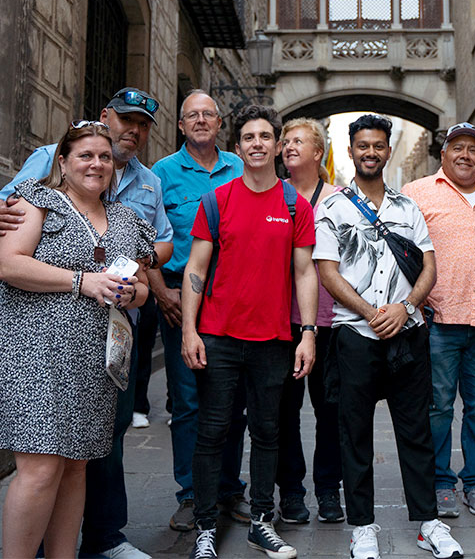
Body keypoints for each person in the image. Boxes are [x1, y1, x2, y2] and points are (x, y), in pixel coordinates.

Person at [0, 88, 173, 559]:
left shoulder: (126, 218)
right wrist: (81, 281)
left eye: (105, 157)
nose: (97, 164)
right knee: (42, 468)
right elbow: (9, 265)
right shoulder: (36, 201)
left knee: (76, 467)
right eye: (86, 155)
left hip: (93, 360)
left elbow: (144, 285)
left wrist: (133, 292)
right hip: (31, 351)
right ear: (62, 161)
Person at [315, 114, 463, 559]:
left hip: (407, 334)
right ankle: (362, 526)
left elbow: (429, 266)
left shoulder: (407, 207)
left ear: (388, 150)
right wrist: (371, 313)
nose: (371, 153)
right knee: (353, 432)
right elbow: (327, 271)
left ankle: (428, 522)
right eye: (363, 145)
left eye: (378, 145)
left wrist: (406, 308)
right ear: (351, 150)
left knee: (416, 430)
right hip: (355, 336)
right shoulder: (333, 207)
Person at [179, 104, 319, 559]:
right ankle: (204, 528)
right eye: (249, 138)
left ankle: (261, 520)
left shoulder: (294, 204)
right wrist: (188, 330)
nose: (257, 144)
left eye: (265, 137)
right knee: (212, 432)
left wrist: (309, 333)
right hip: (218, 336)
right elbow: (195, 269)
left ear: (278, 146)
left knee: (267, 432)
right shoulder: (217, 200)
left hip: (274, 340)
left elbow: (304, 274)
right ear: (237, 148)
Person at [147, 90, 252, 531]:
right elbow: (146, 240)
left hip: (234, 301)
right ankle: (191, 494)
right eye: (194, 115)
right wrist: (159, 292)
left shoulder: (242, 167)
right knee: (188, 402)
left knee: (233, 401)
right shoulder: (163, 173)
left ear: (220, 122)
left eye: (209, 114)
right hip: (180, 301)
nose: (202, 120)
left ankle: (228, 490)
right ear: (181, 124)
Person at [401, 121, 475, 518]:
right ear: (443, 153)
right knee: (438, 407)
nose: (465, 155)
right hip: (437, 321)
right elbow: (399, 251)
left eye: (473, 149)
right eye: (457, 148)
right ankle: (441, 482)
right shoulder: (416, 194)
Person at [273, 118, 345, 525]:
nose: (288, 146)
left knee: (330, 412)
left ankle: (329, 490)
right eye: (286, 141)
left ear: (318, 153)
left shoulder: (337, 199)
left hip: (329, 323)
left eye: (298, 141)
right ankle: (293, 493)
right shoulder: (274, 196)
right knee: (284, 413)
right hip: (280, 323)